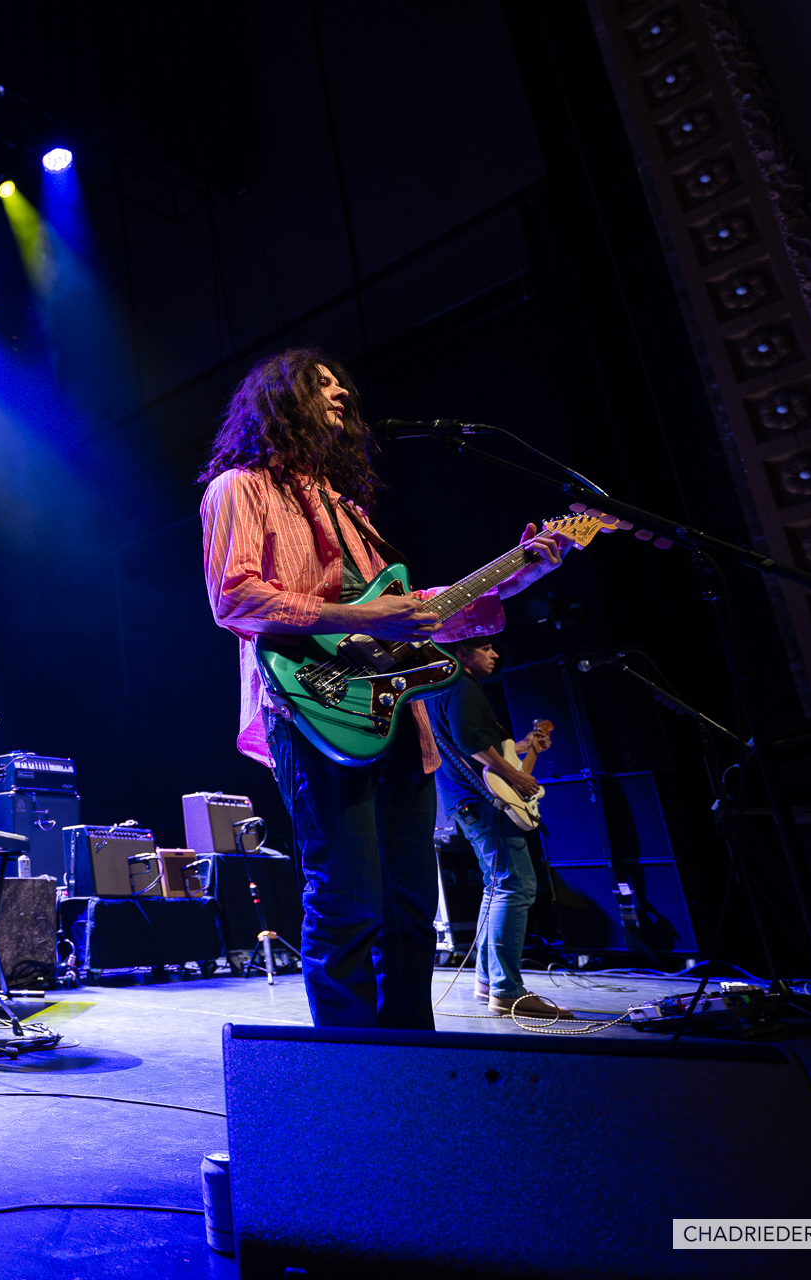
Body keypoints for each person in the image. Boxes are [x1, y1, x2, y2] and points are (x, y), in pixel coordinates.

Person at [200, 348, 572, 1029]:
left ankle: (410, 1062)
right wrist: (361, 616)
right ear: (281, 401)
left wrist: (518, 570)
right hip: (314, 709)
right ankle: (351, 1075)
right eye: (322, 383)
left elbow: (416, 611)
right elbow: (236, 598)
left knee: (406, 907)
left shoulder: (347, 508)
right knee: (348, 900)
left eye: (341, 381)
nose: (342, 390)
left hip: (399, 718)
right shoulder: (240, 488)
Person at [428, 639, 572, 1020]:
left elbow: (476, 741)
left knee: (498, 888)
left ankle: (488, 983)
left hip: (467, 800)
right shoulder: (460, 683)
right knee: (515, 886)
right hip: (484, 800)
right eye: (486, 647)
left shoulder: (440, 683)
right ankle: (508, 991)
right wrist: (515, 776)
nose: (495, 654)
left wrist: (523, 746)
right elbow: (470, 741)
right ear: (461, 651)